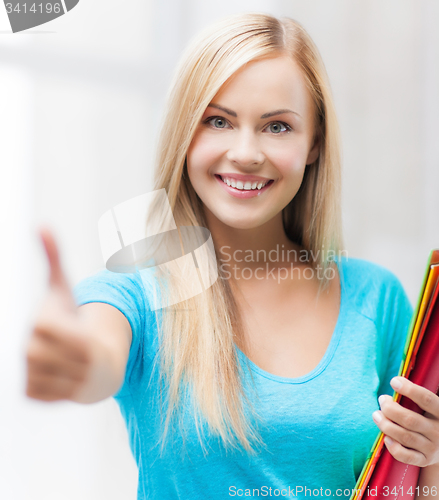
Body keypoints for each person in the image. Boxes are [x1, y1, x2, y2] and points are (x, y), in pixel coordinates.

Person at [26, 12, 439, 500]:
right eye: (218, 120)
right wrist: (77, 361)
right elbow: (98, 357)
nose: (245, 152)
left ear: (314, 144)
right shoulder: (134, 291)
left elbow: (411, 490)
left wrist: (431, 459)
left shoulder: (377, 298)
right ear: (185, 133)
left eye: (277, 127)